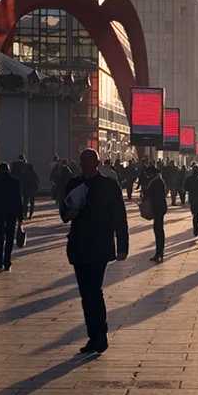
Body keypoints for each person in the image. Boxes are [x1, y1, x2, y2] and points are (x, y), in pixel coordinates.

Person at [60, 149, 127, 357]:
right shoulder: (74, 184)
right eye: (82, 161)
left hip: (99, 246)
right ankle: (93, 334)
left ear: (97, 163)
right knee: (85, 294)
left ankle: (100, 334)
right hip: (79, 246)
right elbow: (64, 214)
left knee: (94, 290)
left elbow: (119, 216)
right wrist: (72, 212)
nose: (85, 165)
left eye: (89, 161)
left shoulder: (109, 186)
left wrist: (123, 246)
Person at [0, 162, 22, 271]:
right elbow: (18, 200)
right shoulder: (15, 182)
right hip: (11, 212)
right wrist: (20, 217)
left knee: (0, 235)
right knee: (10, 236)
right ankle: (7, 260)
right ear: (8, 170)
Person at [141, 163, 169, 262]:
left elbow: (154, 195)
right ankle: (159, 252)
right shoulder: (157, 181)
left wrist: (146, 193)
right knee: (158, 229)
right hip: (159, 208)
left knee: (158, 230)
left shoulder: (157, 182)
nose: (148, 175)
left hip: (158, 208)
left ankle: (159, 252)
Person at [11, 154, 39, 220]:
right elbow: (36, 181)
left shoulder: (14, 164)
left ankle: (24, 213)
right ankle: (30, 214)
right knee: (31, 202)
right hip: (31, 190)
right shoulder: (28, 168)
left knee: (24, 202)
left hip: (22, 187)